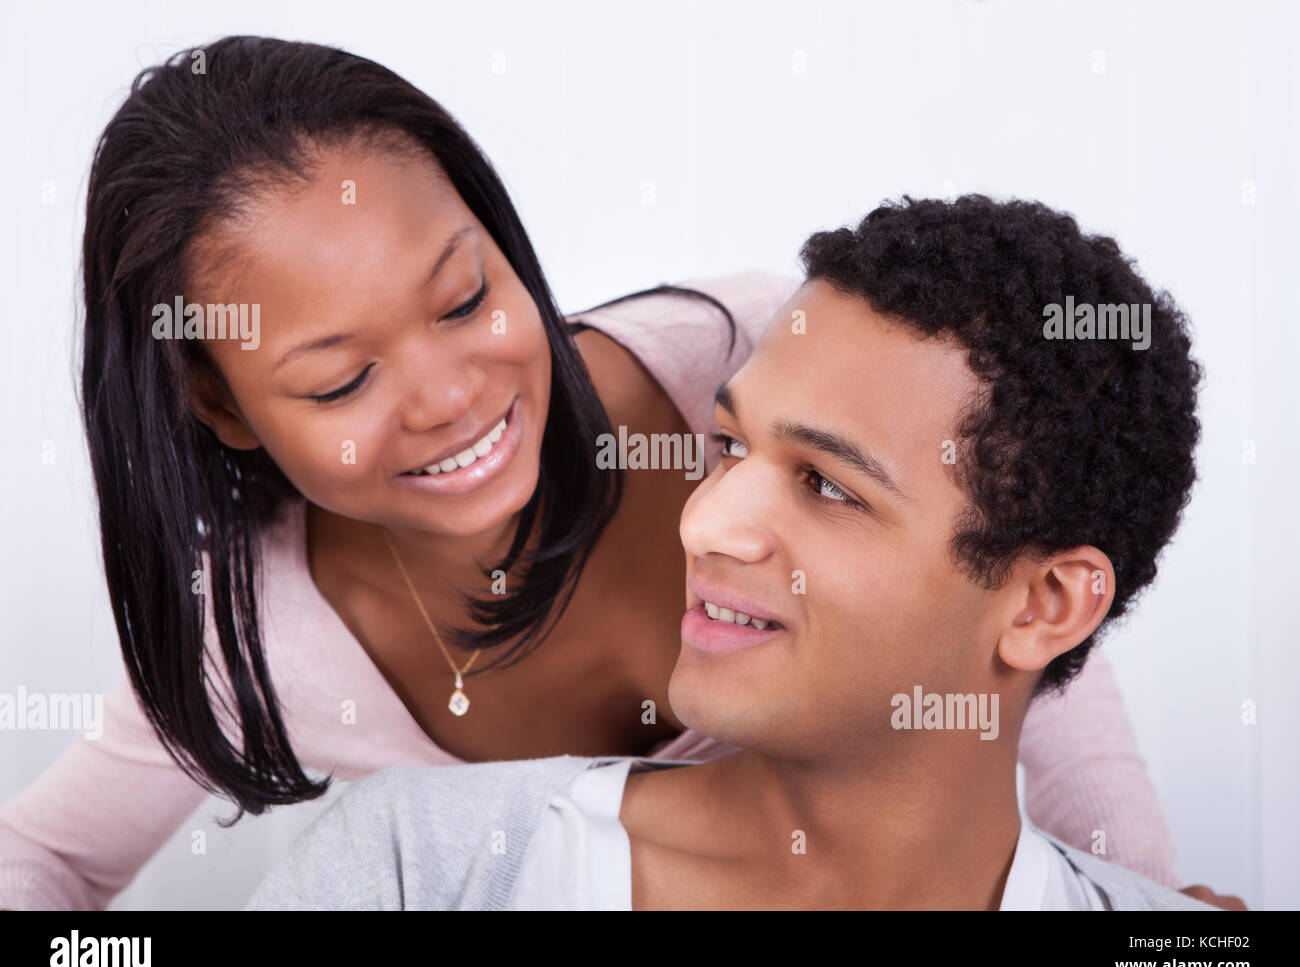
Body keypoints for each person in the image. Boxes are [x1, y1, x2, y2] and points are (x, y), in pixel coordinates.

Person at [0, 38, 1180, 910]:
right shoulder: (281, 679)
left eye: (466, 298)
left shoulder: (751, 354)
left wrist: (1143, 903)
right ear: (223, 405)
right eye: (339, 380)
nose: (449, 395)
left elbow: (1002, 566)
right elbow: (40, 867)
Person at [248, 195, 1218, 910]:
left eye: (830, 485)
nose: (703, 523)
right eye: (729, 447)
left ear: (1047, 604)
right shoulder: (417, 868)